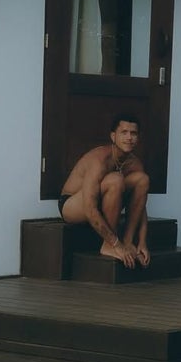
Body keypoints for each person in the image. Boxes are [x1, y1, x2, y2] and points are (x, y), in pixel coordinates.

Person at [58, 115, 150, 269]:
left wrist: (142, 242)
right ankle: (108, 245)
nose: (129, 138)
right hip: (72, 205)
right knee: (115, 179)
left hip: (101, 200)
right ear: (113, 136)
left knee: (142, 179)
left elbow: (141, 204)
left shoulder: (134, 163)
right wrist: (115, 243)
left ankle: (127, 241)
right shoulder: (99, 160)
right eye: (124, 132)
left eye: (133, 133)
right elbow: (89, 208)